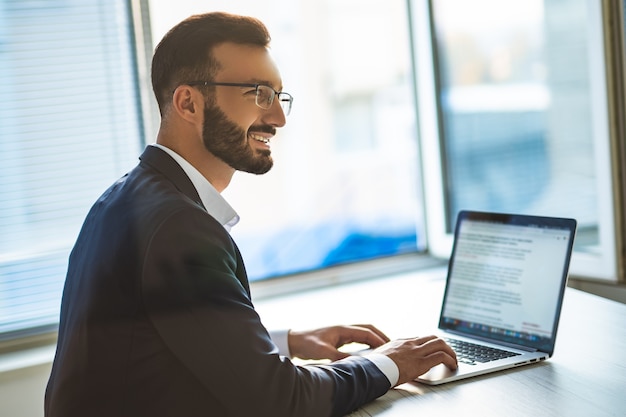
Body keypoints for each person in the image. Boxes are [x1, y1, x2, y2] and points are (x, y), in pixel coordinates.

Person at [44, 12, 457, 417]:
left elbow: (166, 336)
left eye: (279, 96)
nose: (276, 117)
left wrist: (286, 342)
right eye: (258, 93)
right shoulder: (178, 227)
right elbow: (283, 401)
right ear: (188, 102)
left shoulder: (123, 198)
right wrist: (391, 363)